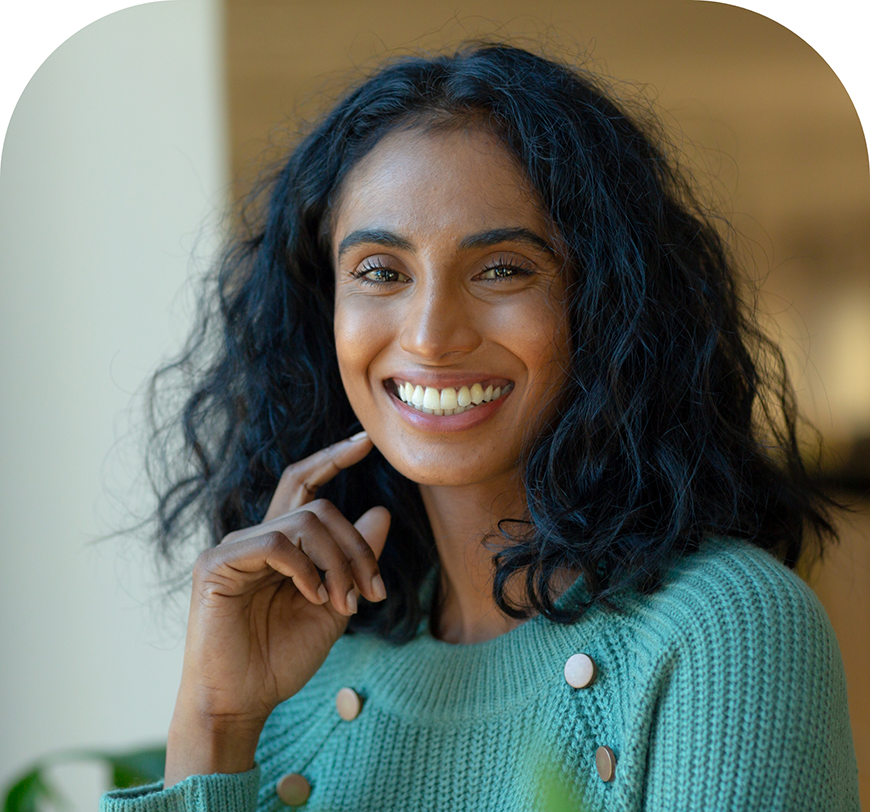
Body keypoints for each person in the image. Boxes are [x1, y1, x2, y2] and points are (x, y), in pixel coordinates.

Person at [100, 43, 860, 811]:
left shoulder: (722, 628)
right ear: (321, 308)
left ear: (606, 303)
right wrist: (215, 722)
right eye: (380, 272)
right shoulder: (296, 668)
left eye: (502, 269)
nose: (431, 336)